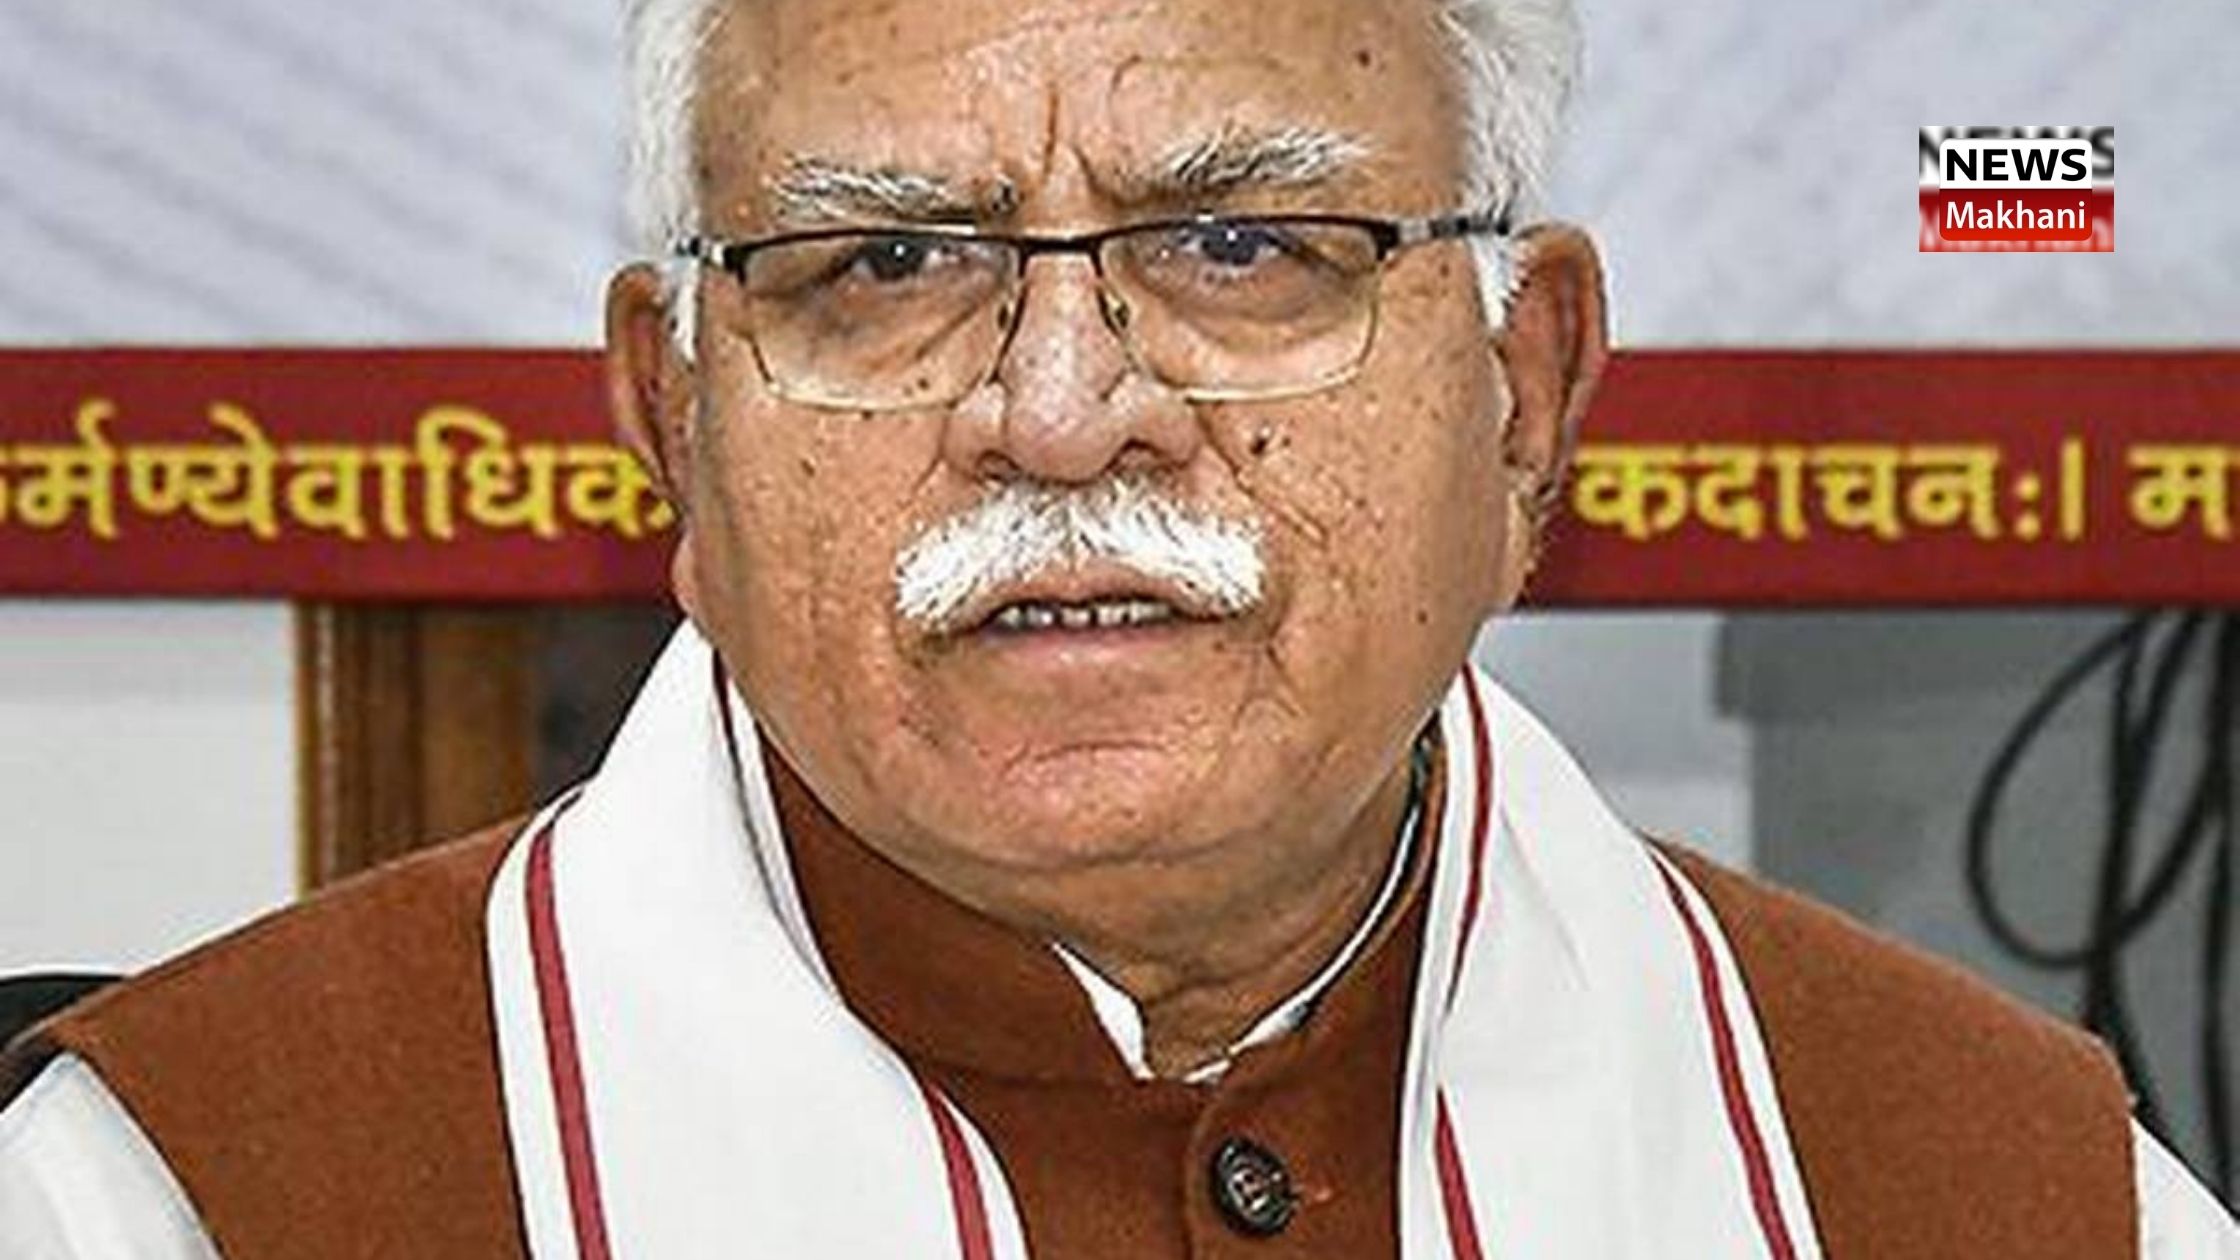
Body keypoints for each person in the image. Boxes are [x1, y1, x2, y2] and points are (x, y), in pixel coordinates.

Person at [1, 0, 2233, 1254]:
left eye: (1245, 250)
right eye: (886, 265)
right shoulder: (185, 1203)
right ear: (673, 426)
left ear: (1524, 397)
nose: (1061, 413)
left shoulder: (2003, 1197)